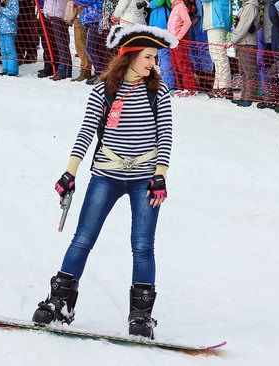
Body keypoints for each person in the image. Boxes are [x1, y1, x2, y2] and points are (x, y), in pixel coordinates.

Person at [31, 24, 176, 340]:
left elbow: (165, 136)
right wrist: (70, 172)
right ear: (130, 57)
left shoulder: (158, 91)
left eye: (154, 57)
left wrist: (160, 176)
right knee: (82, 238)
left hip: (144, 180)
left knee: (142, 246)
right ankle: (60, 303)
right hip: (106, 176)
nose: (154, 64)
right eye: (148, 57)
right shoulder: (102, 91)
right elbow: (85, 133)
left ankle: (141, 316)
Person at [225, 0, 260, 107]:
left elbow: (243, 27)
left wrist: (232, 40)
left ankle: (249, 98)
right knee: (243, 72)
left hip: (247, 43)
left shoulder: (250, 7)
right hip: (242, 42)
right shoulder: (244, 7)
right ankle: (244, 96)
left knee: (249, 72)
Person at [201, 0, 233, 98]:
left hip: (217, 21)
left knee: (219, 56)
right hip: (213, 22)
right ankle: (218, 86)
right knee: (215, 57)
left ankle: (225, 87)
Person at [167, 0, 196, 95]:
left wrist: (178, 37)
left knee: (183, 63)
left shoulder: (181, 6)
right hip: (173, 41)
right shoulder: (175, 7)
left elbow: (187, 22)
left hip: (179, 40)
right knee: (175, 64)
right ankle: (181, 87)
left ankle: (190, 88)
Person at [0, 0, 20, 76]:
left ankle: (12, 70)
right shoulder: (0, 3)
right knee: (3, 51)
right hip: (0, 30)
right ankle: (5, 69)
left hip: (9, 30)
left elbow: (14, 15)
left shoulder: (13, 1)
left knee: (10, 50)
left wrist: (1, 9)